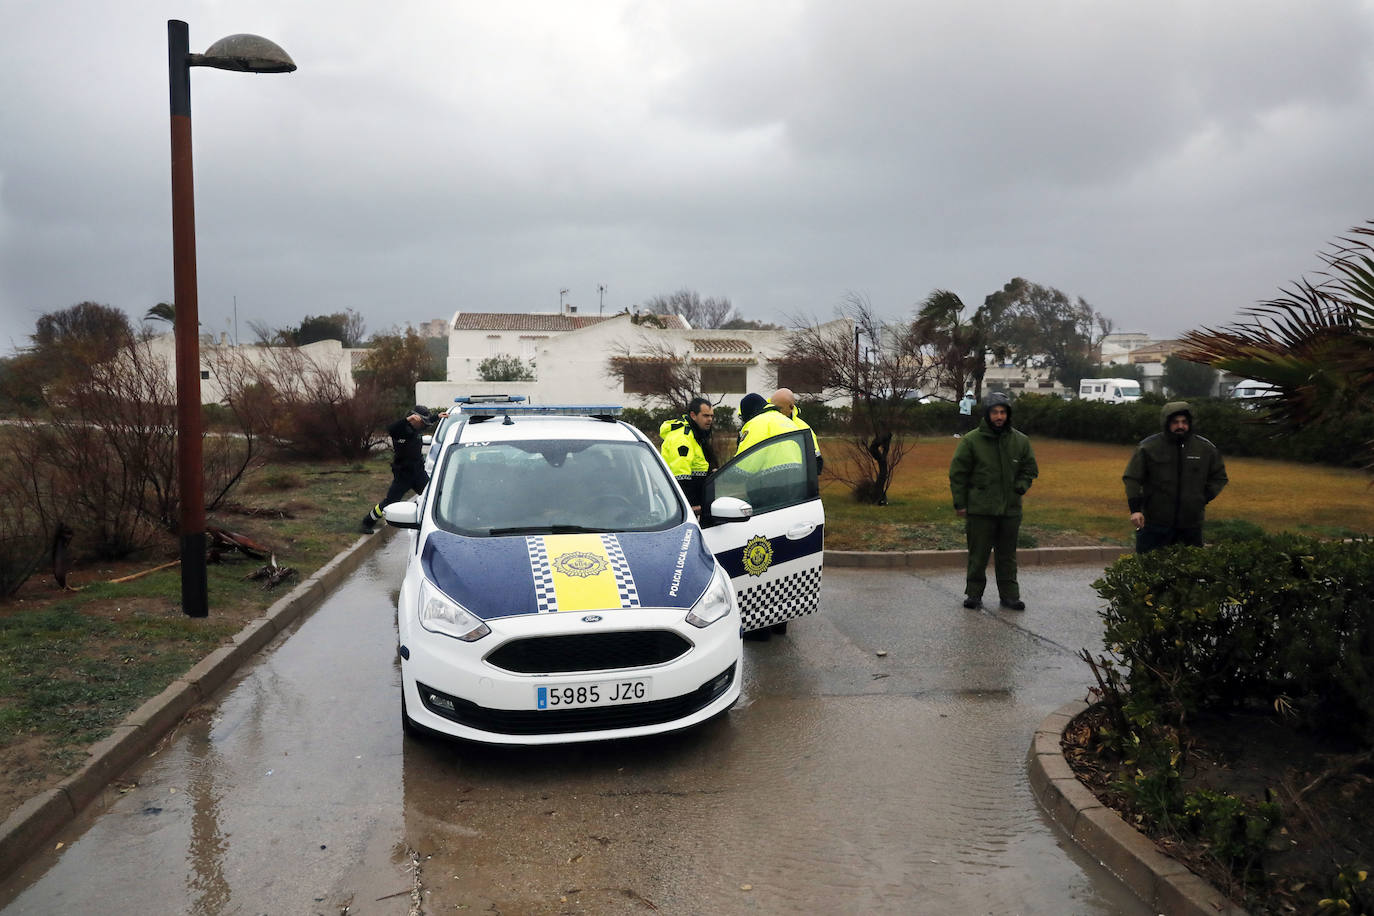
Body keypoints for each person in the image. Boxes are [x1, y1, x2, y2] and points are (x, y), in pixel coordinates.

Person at [948, 391, 1038, 611]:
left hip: (1010, 509)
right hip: (981, 509)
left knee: (1007, 555)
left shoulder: (1021, 441)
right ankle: (974, 594)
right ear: (987, 414)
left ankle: (1010, 595)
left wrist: (1021, 487)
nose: (999, 417)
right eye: (995, 412)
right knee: (978, 555)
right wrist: (960, 503)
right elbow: (958, 473)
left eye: (1003, 412)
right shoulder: (971, 441)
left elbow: (1030, 469)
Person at [1122, 401, 1228, 553]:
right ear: (1166, 423)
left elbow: (1219, 477)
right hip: (1155, 523)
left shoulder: (1205, 449)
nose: (1180, 426)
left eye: (1184, 422)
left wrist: (1202, 497)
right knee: (1150, 570)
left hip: (1191, 525)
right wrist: (1135, 509)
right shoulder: (1148, 447)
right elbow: (1132, 478)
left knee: (1189, 571)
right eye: (1175, 422)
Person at [361, 405, 437, 532]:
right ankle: (368, 522)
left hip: (418, 472)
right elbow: (391, 428)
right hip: (403, 474)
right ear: (414, 418)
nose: (423, 425)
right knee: (390, 502)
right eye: (421, 421)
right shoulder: (400, 430)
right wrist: (408, 419)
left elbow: (427, 422)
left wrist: (437, 417)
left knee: (431, 496)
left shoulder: (417, 429)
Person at [659, 397, 718, 509]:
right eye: (705, 416)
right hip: (689, 506)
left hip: (700, 500)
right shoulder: (682, 437)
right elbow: (680, 475)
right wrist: (690, 506)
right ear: (693, 415)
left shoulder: (697, 434)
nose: (710, 419)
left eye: (711, 416)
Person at [769, 387, 824, 473]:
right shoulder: (766, 424)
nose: (774, 412)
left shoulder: (804, 428)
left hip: (795, 480)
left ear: (791, 408)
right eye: (772, 408)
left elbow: (816, 464)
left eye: (778, 409)